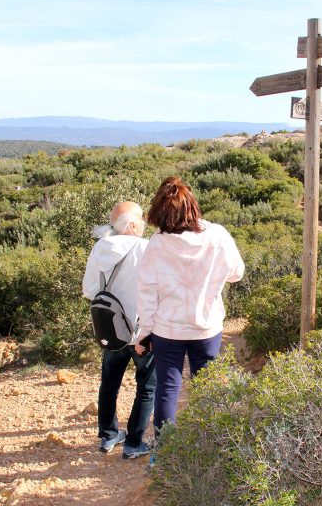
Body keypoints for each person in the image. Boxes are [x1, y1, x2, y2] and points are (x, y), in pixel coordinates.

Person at [135, 176, 244, 438]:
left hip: (167, 329)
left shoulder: (157, 244)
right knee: (208, 387)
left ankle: (165, 452)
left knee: (168, 389)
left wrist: (144, 333)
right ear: (193, 207)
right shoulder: (217, 235)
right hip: (206, 325)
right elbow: (236, 273)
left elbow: (147, 293)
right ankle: (210, 445)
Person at [82, 201, 156, 459]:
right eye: (142, 220)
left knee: (109, 384)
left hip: (111, 330)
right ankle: (134, 442)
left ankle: (108, 435)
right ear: (133, 224)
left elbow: (89, 290)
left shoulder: (100, 248)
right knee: (146, 386)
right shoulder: (145, 248)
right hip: (140, 332)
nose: (145, 224)